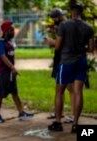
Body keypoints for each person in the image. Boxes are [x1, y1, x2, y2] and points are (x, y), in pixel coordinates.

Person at [48, 3, 95, 133]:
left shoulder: (64, 25)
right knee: (78, 92)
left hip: (66, 62)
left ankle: (58, 122)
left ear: (71, 11)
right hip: (81, 61)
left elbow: (57, 46)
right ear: (81, 12)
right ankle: (75, 124)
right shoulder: (88, 27)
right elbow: (91, 49)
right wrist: (80, 49)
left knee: (59, 91)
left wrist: (51, 42)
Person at [0, 21, 33, 123]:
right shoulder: (0, 43)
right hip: (2, 73)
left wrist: (12, 69)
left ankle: (21, 113)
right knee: (0, 94)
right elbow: (3, 56)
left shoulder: (8, 43)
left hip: (10, 73)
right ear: (6, 31)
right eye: (11, 30)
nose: (13, 31)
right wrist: (12, 67)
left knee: (15, 93)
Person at [45, 8, 74, 123]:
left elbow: (61, 44)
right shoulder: (60, 26)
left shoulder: (65, 26)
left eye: (55, 17)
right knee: (59, 88)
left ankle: (72, 114)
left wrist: (52, 42)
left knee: (70, 88)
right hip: (59, 58)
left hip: (65, 59)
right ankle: (59, 112)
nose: (54, 20)